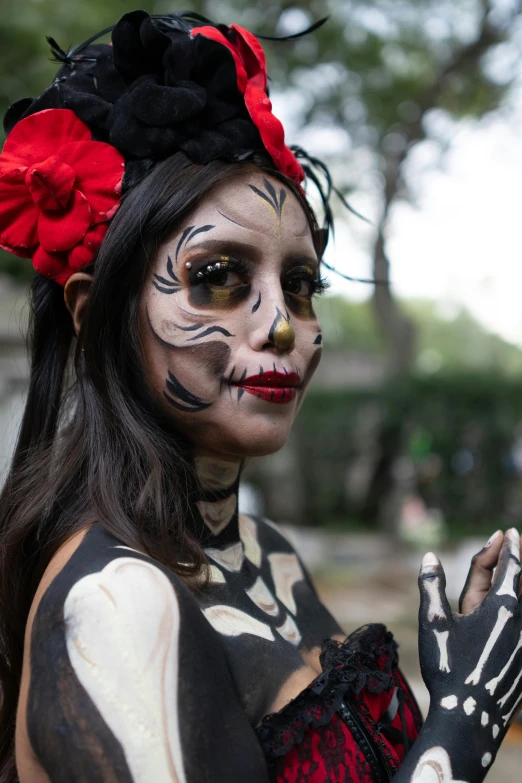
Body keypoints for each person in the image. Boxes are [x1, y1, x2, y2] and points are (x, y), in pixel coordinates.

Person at [0, 10, 521, 783]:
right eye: (218, 277)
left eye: (302, 285)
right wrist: (467, 720)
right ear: (93, 314)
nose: (282, 323)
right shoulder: (115, 608)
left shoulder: (268, 554)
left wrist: (444, 691)